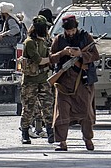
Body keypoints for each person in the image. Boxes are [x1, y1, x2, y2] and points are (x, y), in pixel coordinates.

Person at [50, 15, 100, 151]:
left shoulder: (86, 38)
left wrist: (81, 55)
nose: (70, 33)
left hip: (82, 82)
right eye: (68, 31)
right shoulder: (58, 40)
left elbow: (96, 55)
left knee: (86, 113)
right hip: (63, 83)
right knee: (62, 113)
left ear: (76, 27)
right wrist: (63, 53)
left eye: (72, 30)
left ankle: (88, 139)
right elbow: (51, 58)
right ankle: (62, 142)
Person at [19, 15, 55, 144]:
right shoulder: (29, 43)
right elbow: (38, 60)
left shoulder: (46, 41)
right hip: (30, 82)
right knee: (29, 108)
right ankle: (25, 132)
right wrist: (53, 58)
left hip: (43, 80)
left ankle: (51, 132)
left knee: (47, 107)